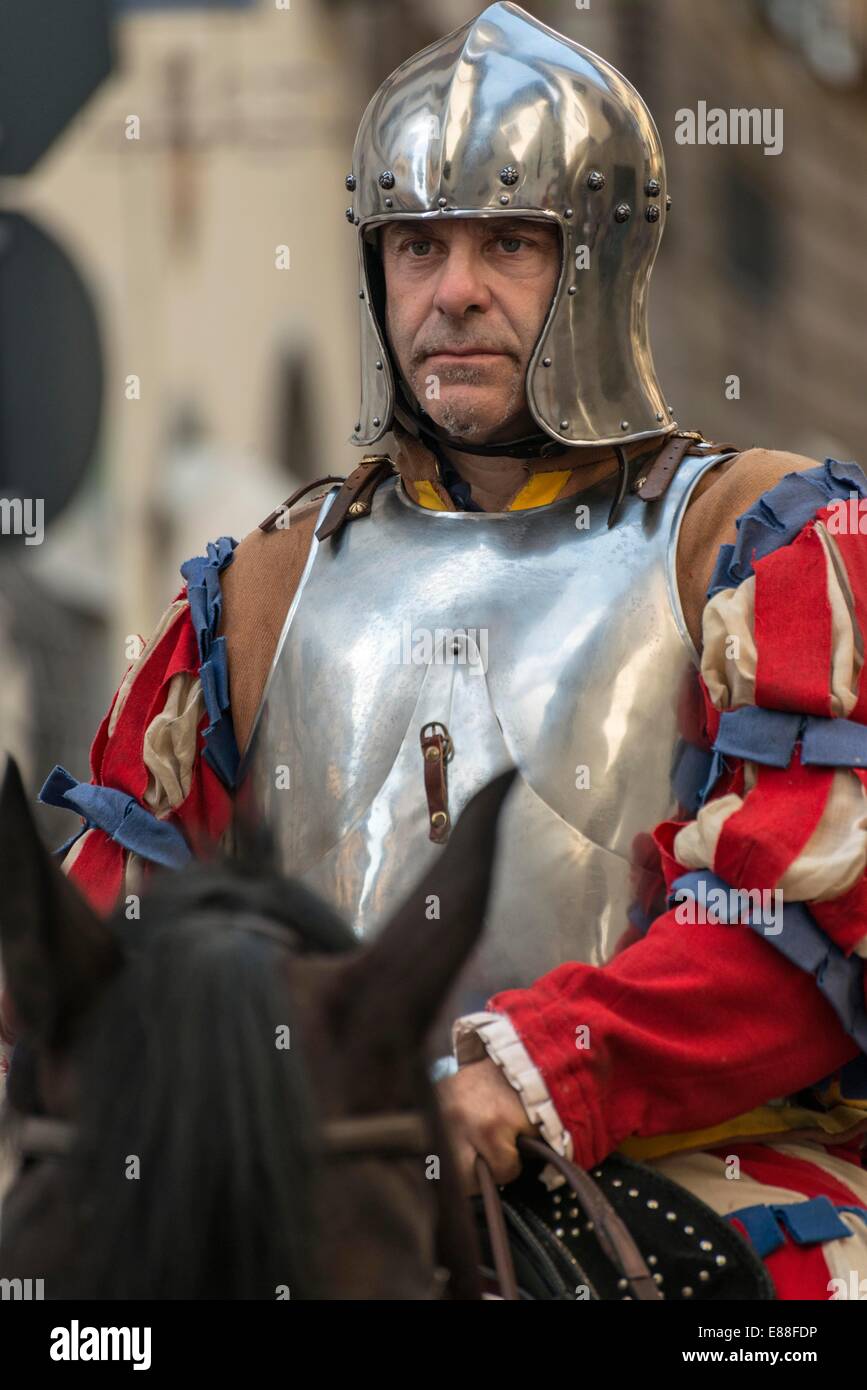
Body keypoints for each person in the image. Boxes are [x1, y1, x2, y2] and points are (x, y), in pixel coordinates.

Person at [20, 3, 867, 1298]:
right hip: (325, 1160)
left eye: (509, 242)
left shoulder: (760, 541)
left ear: (601, 259)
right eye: (417, 243)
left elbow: (806, 925)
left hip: (705, 1155)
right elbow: (106, 910)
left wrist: (541, 1070)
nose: (453, 288)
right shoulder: (266, 586)